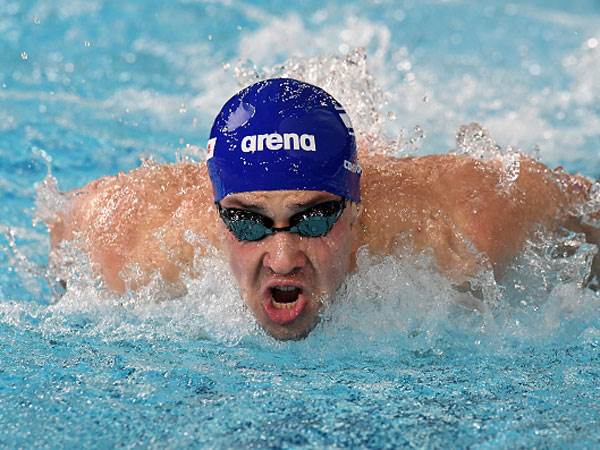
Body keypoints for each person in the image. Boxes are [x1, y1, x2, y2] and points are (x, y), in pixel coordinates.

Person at [47, 78, 599, 340]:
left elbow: (584, 205)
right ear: (215, 213)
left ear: (357, 210)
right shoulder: (131, 243)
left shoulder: (464, 223)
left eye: (314, 217)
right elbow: (68, 223)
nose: (282, 257)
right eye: (247, 221)